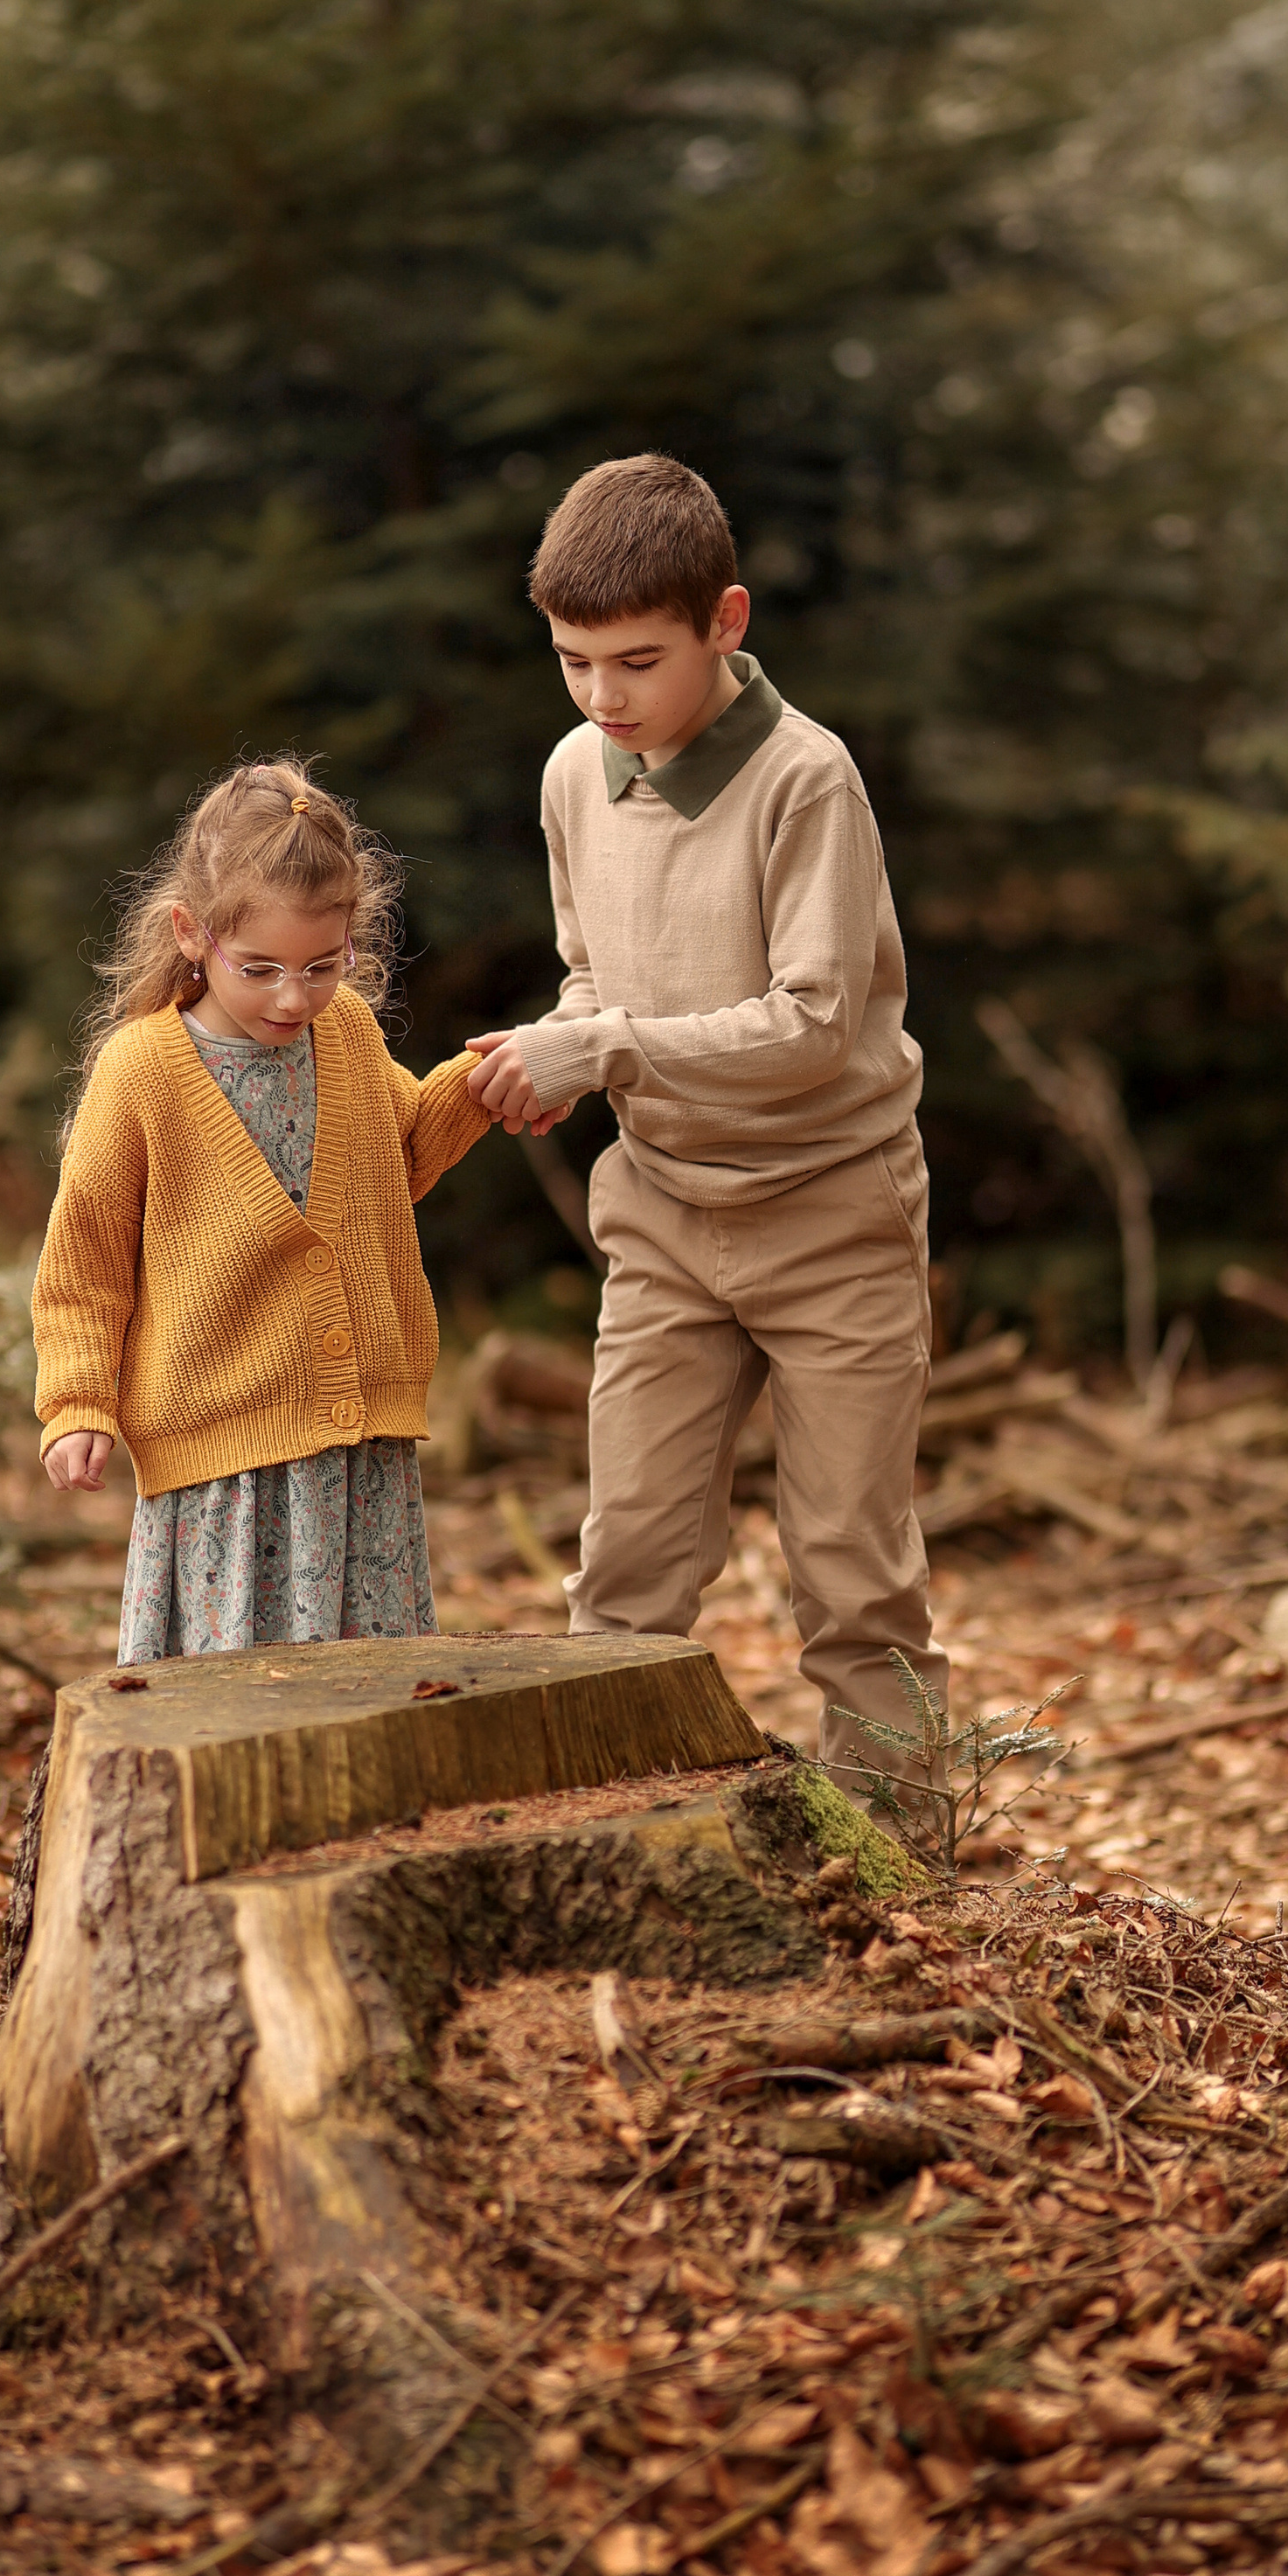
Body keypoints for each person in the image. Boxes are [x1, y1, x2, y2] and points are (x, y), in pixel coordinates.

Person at [463, 454, 943, 1794]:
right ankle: (609, 1828)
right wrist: (564, 1051)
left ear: (726, 623)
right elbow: (593, 973)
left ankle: (901, 1870)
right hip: (664, 1216)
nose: (603, 698)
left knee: (853, 1567)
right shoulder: (575, 772)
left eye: (635, 661)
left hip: (834, 1210)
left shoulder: (807, 782)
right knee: (625, 1562)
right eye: (572, 663)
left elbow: (810, 1028)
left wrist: (602, 1045)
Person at [33, 757, 493, 1662]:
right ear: (191, 934)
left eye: (325, 965)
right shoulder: (143, 1069)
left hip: (361, 1457)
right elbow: (84, 1255)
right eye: (262, 968)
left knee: (368, 1688)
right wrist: (78, 1400)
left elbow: (391, 1163)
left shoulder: (349, 1034)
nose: (295, 996)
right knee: (235, 1695)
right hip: (223, 1474)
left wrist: (487, 1087)